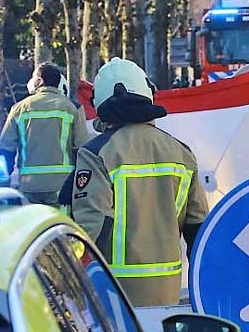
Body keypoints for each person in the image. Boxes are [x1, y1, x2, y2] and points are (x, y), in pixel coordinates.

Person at [63, 58, 209, 309]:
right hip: (169, 289)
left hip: (114, 292)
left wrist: (64, 277)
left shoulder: (96, 153)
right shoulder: (181, 152)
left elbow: (91, 230)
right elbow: (199, 231)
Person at [0, 63, 81, 207]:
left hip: (29, 185)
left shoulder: (19, 109)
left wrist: (4, 184)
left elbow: (6, 150)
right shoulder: (71, 108)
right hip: (61, 185)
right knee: (58, 226)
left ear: (40, 80)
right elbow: (81, 148)